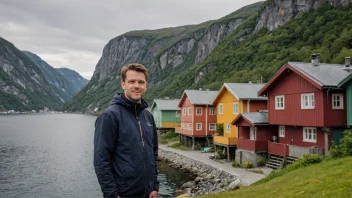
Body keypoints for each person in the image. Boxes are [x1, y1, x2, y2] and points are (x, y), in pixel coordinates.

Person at [94, 63, 159, 198]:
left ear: (146, 85)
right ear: (123, 84)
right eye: (132, 81)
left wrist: (154, 186)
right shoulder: (110, 116)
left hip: (148, 194)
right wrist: (111, 194)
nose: (137, 86)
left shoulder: (148, 117)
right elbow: (101, 160)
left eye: (141, 82)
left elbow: (153, 154)